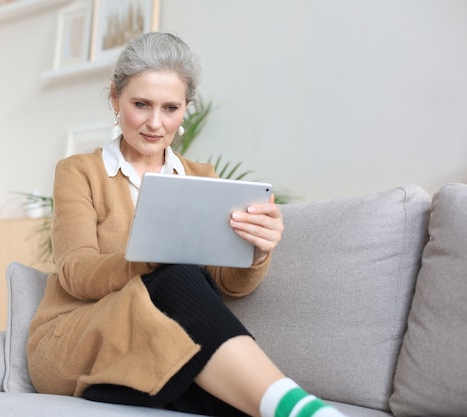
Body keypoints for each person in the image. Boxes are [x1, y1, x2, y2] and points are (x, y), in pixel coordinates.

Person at [27, 32, 346, 417]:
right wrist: (150, 259)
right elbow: (75, 272)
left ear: (185, 110)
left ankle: (293, 408)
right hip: (76, 335)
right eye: (141, 104)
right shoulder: (79, 172)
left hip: (159, 338)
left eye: (170, 108)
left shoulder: (202, 177)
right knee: (175, 272)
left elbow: (227, 285)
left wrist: (257, 251)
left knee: (242, 402)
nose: (155, 123)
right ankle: (299, 405)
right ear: (115, 99)